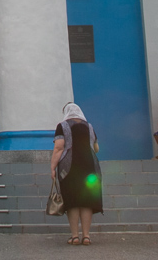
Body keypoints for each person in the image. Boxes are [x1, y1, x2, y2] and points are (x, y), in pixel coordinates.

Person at [50, 102, 103, 246]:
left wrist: (53, 167)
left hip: (69, 169)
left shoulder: (62, 126)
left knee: (72, 201)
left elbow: (59, 147)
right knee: (86, 202)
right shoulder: (89, 126)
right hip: (89, 167)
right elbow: (96, 148)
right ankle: (86, 236)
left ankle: (74, 236)